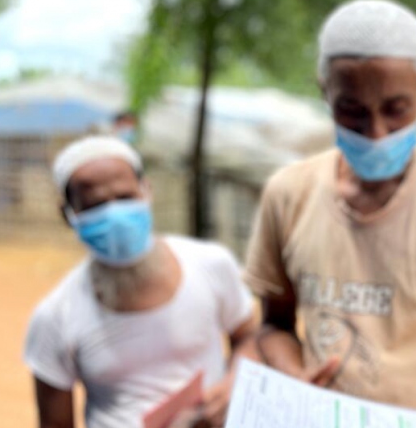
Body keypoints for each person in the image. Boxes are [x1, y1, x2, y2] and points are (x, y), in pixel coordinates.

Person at [243, 0, 416, 428]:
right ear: (324, 92)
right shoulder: (287, 194)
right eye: (351, 110)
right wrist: (293, 375)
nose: (375, 132)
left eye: (396, 109)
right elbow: (274, 324)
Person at [24, 136, 258, 428]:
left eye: (124, 198)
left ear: (146, 190)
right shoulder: (55, 316)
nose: (114, 214)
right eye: (95, 205)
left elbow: (249, 336)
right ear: (67, 214)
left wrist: (231, 385)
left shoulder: (210, 264)